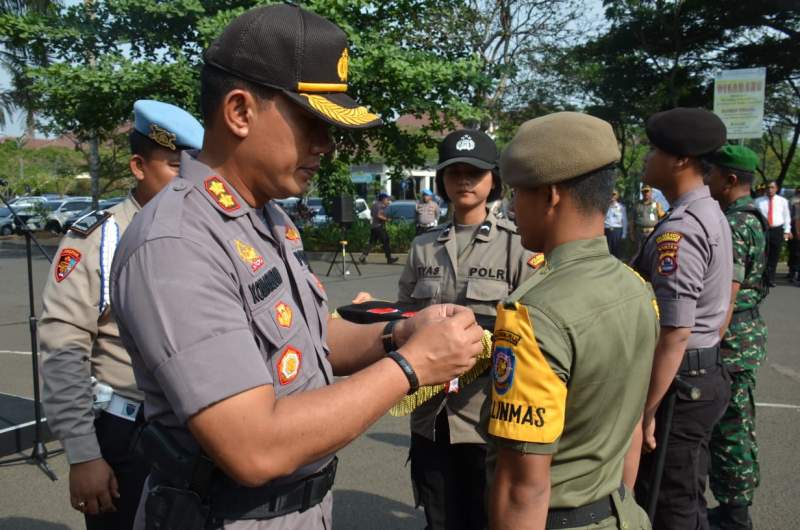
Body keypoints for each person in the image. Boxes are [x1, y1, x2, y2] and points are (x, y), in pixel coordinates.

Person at [109, 5, 483, 530]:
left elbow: (307, 341)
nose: (326, 145)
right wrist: (412, 367)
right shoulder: (177, 243)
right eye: (311, 123)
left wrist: (400, 333)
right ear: (239, 111)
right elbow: (253, 446)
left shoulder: (267, 217)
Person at [483, 112, 659, 530]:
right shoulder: (637, 288)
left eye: (518, 193)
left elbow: (522, 488)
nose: (511, 207)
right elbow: (630, 429)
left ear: (550, 196)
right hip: (623, 514)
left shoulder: (534, 314)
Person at [39, 100, 204, 529]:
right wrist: (83, 454)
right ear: (138, 166)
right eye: (173, 165)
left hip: (202, 429)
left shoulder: (202, 233)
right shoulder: (101, 237)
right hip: (131, 436)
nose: (186, 179)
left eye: (193, 166)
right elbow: (63, 347)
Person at [398, 129, 536, 530]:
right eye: (453, 172)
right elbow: (405, 315)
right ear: (441, 180)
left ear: (494, 178)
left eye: (473, 172)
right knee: (438, 516)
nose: (463, 180)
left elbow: (529, 331)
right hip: (431, 414)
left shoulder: (518, 246)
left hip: (486, 418)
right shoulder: (424, 246)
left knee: (485, 516)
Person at [632, 107, 733, 530]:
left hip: (680, 387)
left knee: (669, 502)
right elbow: (723, 305)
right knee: (684, 494)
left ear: (679, 160)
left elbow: (675, 330)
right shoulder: (707, 214)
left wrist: (648, 410)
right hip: (699, 375)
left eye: (654, 150)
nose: (646, 159)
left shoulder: (683, 229)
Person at [705, 145, 768, 530]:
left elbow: (727, 293)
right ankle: (733, 506)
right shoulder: (748, 217)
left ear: (730, 180)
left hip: (732, 342)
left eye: (712, 173)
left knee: (731, 430)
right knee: (735, 425)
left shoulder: (736, 224)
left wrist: (710, 342)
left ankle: (735, 513)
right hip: (744, 338)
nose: (707, 179)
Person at [754, 181, 792, 286]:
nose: (770, 189)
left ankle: (771, 278)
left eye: (772, 187)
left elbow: (786, 216)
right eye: (768, 187)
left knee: (774, 254)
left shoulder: (783, 201)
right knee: (763, 253)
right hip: (764, 229)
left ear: (776, 188)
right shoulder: (758, 201)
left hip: (777, 230)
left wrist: (787, 231)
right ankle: (761, 277)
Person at [360, 192, 398, 263]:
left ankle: (362, 257)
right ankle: (389, 259)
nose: (388, 201)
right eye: (387, 199)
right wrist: (386, 219)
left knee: (372, 243)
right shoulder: (380, 206)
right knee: (386, 241)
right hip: (379, 227)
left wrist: (386, 206)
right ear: (383, 199)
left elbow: (372, 214)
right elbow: (378, 215)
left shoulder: (374, 205)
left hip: (374, 226)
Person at [604, 189, 627, 259]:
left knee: (617, 251)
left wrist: (624, 234)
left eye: (614, 194)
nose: (612, 196)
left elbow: (625, 221)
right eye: (611, 194)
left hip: (617, 231)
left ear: (617, 196)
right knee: (607, 251)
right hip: (607, 230)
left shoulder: (621, 207)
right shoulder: (605, 206)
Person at [787, 187, 800, 284]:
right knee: (795, 253)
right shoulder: (794, 203)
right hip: (795, 230)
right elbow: (796, 220)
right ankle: (793, 273)